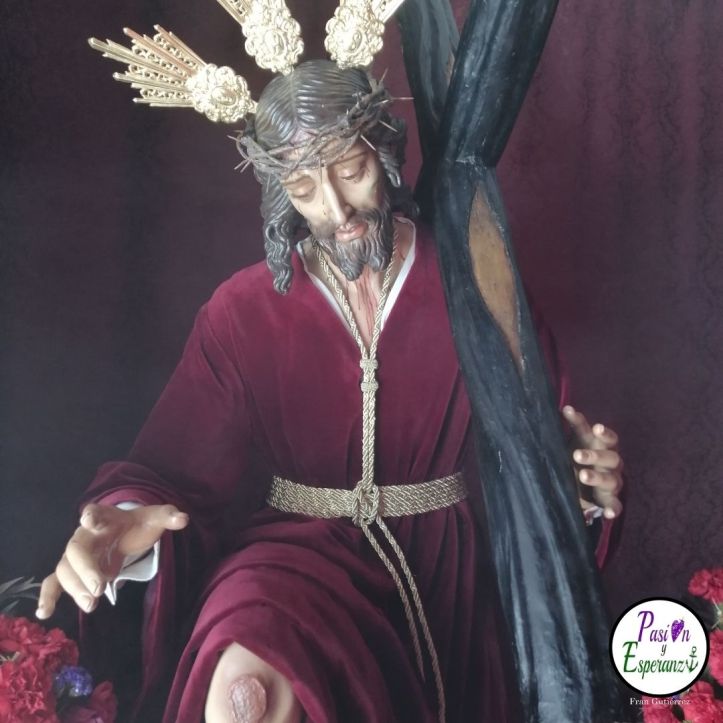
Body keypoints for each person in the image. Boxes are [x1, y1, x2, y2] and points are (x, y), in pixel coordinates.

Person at [35, 60, 623, 723]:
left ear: (385, 152)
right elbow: (170, 465)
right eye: (304, 186)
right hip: (291, 558)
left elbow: (540, 459)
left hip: (442, 577)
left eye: (351, 170)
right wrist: (125, 518)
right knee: (245, 691)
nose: (336, 210)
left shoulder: (478, 287)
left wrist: (579, 492)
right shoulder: (242, 310)